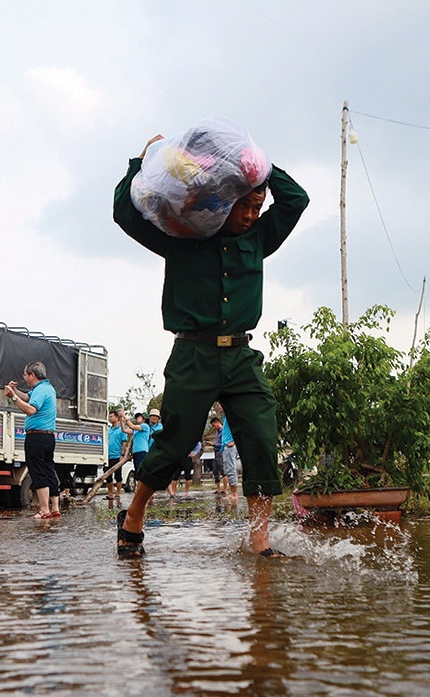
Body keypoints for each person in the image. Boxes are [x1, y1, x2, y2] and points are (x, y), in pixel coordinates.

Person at [112, 132, 310, 557]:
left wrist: (259, 167)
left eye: (258, 207)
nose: (253, 215)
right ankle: (133, 515)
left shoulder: (258, 238)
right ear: (224, 201)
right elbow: (124, 214)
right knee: (176, 442)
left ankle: (259, 539)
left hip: (241, 355)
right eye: (247, 206)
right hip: (193, 354)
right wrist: (139, 160)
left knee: (260, 432)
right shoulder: (181, 237)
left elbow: (297, 200)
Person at [5, 360, 60, 519]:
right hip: (48, 436)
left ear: (32, 375)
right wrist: (15, 391)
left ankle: (44, 510)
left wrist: (13, 397)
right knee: (49, 470)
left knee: (37, 471)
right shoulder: (46, 388)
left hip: (37, 436)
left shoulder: (40, 390)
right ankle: (55, 508)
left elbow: (30, 409)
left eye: (25, 374)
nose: (24, 377)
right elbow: (28, 398)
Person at [105, 409, 130, 506]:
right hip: (107, 456)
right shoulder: (108, 429)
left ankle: (118, 493)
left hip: (117, 455)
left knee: (118, 476)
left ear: (117, 417)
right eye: (109, 416)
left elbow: (124, 442)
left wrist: (123, 455)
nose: (110, 418)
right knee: (107, 475)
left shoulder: (121, 429)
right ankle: (110, 493)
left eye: (111, 416)